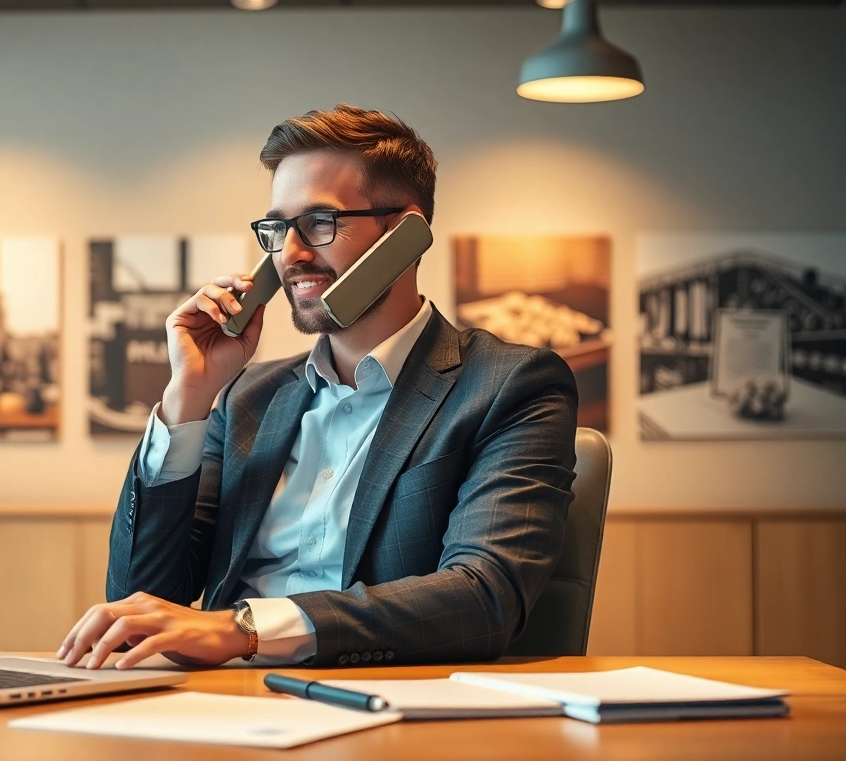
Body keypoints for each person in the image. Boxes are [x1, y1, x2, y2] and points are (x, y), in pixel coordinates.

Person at [57, 104, 578, 670]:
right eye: (278, 228)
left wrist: (244, 628)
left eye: (320, 223)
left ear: (404, 234)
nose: (291, 254)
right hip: (224, 701)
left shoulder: (509, 386)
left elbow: (484, 597)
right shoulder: (247, 397)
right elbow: (141, 594)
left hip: (382, 705)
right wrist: (187, 400)